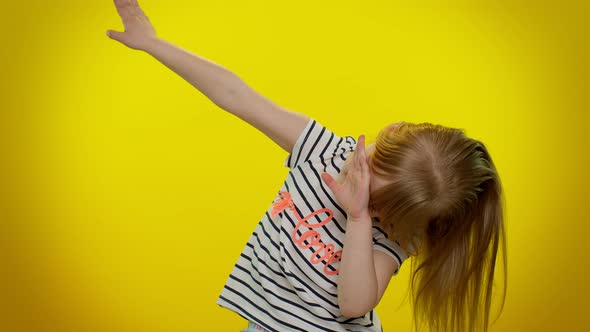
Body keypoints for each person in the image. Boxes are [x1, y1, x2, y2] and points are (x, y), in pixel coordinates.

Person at [106, 1, 508, 331]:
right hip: (266, 323)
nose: (358, 181)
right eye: (366, 166)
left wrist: (358, 218)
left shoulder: (394, 234)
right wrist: (154, 44)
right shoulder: (324, 151)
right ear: (391, 131)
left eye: (374, 199)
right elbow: (236, 95)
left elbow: (353, 304)